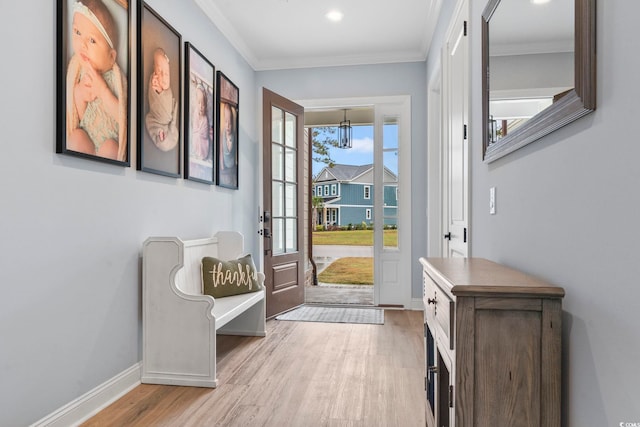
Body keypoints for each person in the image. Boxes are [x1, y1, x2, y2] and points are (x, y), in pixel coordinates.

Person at [66, 0, 127, 161]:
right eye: (77, 32)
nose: (82, 44)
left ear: (111, 56)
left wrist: (103, 91)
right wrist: (80, 94)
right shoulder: (79, 72)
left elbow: (123, 117)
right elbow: (78, 116)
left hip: (109, 140)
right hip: (87, 136)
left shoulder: (115, 79)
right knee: (75, 136)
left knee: (110, 148)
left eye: (92, 40)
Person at [145, 48, 179, 152]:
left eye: (167, 73)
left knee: (174, 135)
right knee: (150, 122)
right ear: (154, 70)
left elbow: (169, 103)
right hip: (157, 121)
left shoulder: (169, 92)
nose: (163, 76)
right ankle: (162, 137)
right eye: (159, 71)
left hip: (167, 122)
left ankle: (165, 136)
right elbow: (153, 97)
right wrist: (157, 90)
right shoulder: (154, 82)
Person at [191, 83, 211, 160]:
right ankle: (196, 152)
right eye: (199, 103)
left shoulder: (205, 119)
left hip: (203, 141)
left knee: (200, 138)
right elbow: (194, 128)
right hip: (196, 137)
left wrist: (200, 133)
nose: (201, 107)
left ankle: (202, 154)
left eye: (203, 104)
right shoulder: (195, 114)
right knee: (196, 137)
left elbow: (205, 134)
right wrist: (197, 132)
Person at [219, 101, 237, 183]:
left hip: (232, 165)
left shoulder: (233, 136)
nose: (228, 126)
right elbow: (221, 150)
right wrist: (222, 165)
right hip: (225, 166)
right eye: (226, 122)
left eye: (230, 123)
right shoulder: (223, 135)